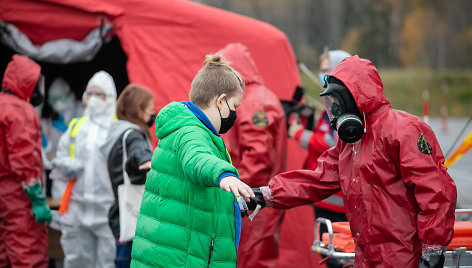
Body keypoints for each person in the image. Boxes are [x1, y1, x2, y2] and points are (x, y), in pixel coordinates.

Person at [248, 56, 457, 267]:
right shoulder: (350, 144)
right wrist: (265, 194)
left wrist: (433, 249)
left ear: (353, 98)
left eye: (338, 103)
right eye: (331, 105)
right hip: (366, 257)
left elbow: (434, 190)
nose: (335, 113)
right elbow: (316, 180)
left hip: (404, 257)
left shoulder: (402, 130)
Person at [130, 54, 255, 268]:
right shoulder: (192, 132)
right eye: (234, 106)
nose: (234, 114)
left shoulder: (187, 128)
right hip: (182, 258)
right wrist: (222, 173)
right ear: (221, 101)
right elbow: (197, 158)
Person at [217, 43, 287, 268]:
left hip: (254, 199)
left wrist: (232, 187)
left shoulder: (255, 101)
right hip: (252, 197)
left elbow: (258, 157)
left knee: (253, 258)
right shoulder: (251, 97)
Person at [287, 49, 351, 268]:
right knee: (327, 253)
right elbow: (325, 127)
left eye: (326, 70)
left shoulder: (344, 104)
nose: (322, 75)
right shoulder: (331, 102)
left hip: (339, 200)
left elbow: (331, 141)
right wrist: (310, 119)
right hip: (325, 196)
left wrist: (297, 133)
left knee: (339, 256)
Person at [51, 70, 117, 268]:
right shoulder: (76, 127)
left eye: (100, 94)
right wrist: (65, 166)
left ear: (111, 97)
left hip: (107, 210)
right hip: (77, 208)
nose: (94, 99)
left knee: (108, 262)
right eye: (91, 93)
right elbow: (60, 156)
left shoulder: (118, 129)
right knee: (76, 261)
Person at [0, 54, 52, 268]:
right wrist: (37, 197)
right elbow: (24, 158)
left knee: (4, 252)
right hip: (17, 195)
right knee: (27, 251)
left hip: (4, 191)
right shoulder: (20, 110)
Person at [101, 84, 155, 268]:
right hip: (133, 217)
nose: (152, 115)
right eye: (150, 110)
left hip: (120, 213)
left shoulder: (116, 132)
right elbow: (138, 156)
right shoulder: (133, 135)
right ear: (139, 110)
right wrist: (152, 161)